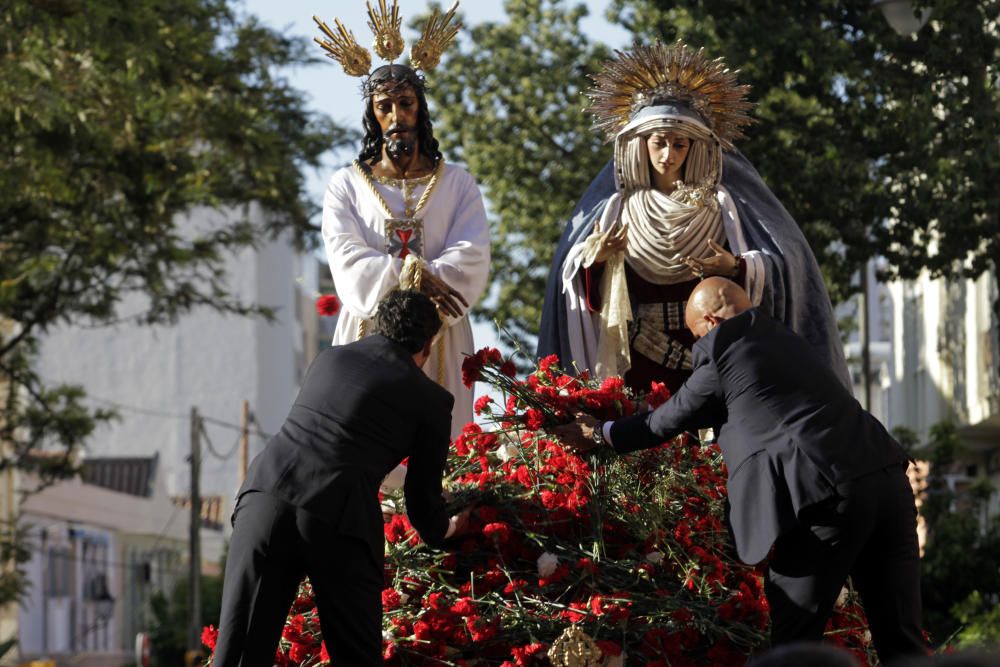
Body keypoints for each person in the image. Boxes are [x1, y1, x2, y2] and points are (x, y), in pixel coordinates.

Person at [552, 277, 926, 664]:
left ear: (712, 321)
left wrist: (601, 432)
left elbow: (668, 419)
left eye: (697, 336)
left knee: (793, 645)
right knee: (903, 641)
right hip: (888, 480)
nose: (699, 347)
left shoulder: (726, 344)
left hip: (827, 497)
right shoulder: (787, 338)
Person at [538, 42, 850, 394]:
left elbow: (786, 263)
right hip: (642, 360)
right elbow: (575, 283)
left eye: (680, 144)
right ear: (640, 143)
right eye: (659, 142)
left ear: (695, 147)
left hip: (713, 350)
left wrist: (737, 267)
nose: (668, 155)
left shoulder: (723, 207)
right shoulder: (617, 210)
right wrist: (594, 260)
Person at [213, 290, 470, 666]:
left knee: (238, 652)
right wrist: (448, 529)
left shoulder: (328, 359)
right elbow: (421, 500)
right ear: (429, 346)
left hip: (265, 496)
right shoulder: (431, 400)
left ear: (377, 325)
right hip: (338, 517)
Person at [316, 4, 490, 438]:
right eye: (385, 106)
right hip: (370, 327)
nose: (396, 118)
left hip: (441, 331)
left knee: (442, 446)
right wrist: (416, 274)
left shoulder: (457, 183)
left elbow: (471, 254)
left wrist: (428, 288)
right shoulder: (346, 185)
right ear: (372, 114)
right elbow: (347, 259)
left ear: (421, 108)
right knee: (368, 439)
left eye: (405, 103)